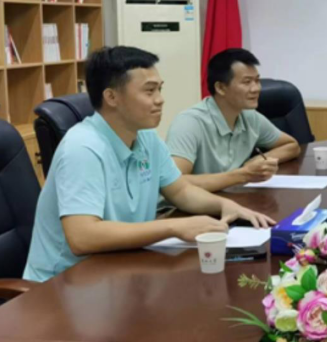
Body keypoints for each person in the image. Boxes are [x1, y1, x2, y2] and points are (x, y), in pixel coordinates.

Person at [23, 46, 275, 282]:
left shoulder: (145, 137)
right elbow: (83, 237)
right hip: (65, 283)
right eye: (149, 91)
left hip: (121, 267)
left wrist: (224, 205)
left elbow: (180, 191)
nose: (160, 99)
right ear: (111, 97)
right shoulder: (82, 148)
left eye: (159, 89)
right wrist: (174, 227)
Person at [165, 48, 300, 192]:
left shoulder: (249, 116)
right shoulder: (189, 123)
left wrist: (258, 161)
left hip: (230, 196)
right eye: (247, 82)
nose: (256, 88)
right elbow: (174, 182)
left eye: (257, 80)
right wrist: (243, 174)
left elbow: (291, 145)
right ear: (221, 88)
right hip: (192, 203)